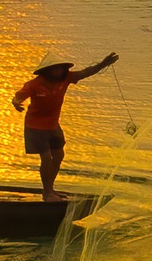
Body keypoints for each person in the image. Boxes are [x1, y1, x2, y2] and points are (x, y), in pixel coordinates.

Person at [13, 53, 117, 199]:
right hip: (35, 126)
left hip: (53, 125)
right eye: (54, 69)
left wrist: (103, 64)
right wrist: (16, 103)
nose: (58, 71)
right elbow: (18, 97)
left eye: (60, 68)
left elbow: (86, 72)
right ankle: (47, 192)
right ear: (47, 71)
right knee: (46, 157)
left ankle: (50, 189)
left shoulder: (67, 78)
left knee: (59, 155)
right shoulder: (34, 84)